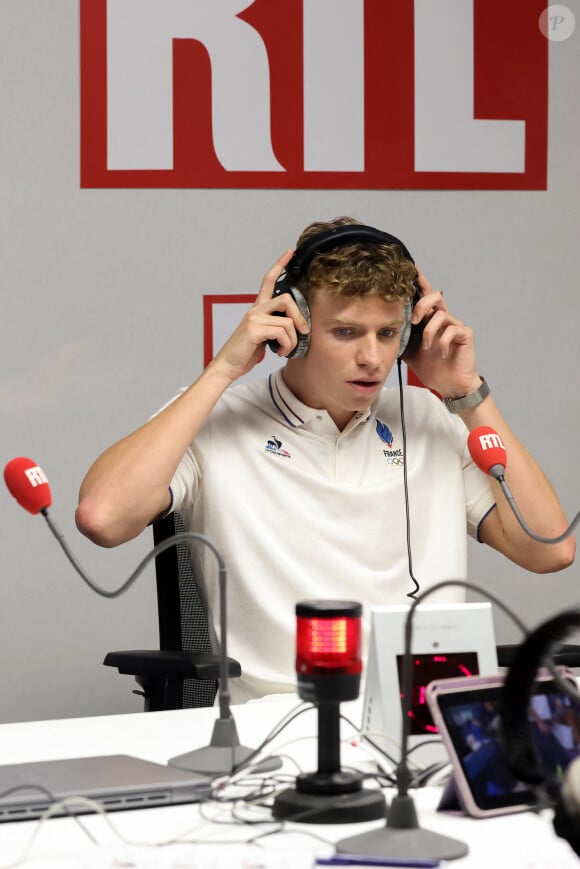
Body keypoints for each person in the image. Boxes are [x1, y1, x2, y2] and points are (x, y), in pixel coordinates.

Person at [75, 217, 575, 703]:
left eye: (387, 334)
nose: (373, 359)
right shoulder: (214, 418)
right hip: (278, 729)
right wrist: (222, 371)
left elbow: (548, 550)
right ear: (294, 325)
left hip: (424, 719)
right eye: (346, 332)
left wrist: (468, 395)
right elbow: (103, 518)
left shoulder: (435, 417)